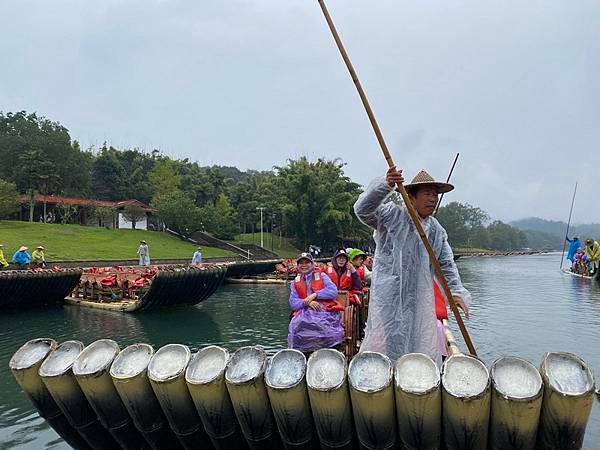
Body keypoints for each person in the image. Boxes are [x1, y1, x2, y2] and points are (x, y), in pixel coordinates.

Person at [354, 167, 471, 364]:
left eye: (435, 195)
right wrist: (385, 185)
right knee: (391, 337)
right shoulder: (392, 216)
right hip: (390, 295)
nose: (432, 199)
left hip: (420, 296)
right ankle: (391, 378)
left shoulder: (435, 230)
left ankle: (414, 379)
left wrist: (455, 293)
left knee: (420, 338)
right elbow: (362, 210)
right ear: (411, 196)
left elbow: (446, 265)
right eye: (426, 194)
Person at [287, 252, 344, 353]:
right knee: (296, 324)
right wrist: (307, 302)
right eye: (301, 263)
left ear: (312, 264)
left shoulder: (322, 276)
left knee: (321, 323)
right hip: (304, 312)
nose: (304, 265)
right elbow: (293, 302)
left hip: (323, 310)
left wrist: (315, 295)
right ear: (298, 265)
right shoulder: (295, 282)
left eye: (307, 262)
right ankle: (300, 352)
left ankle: (330, 349)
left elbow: (333, 291)